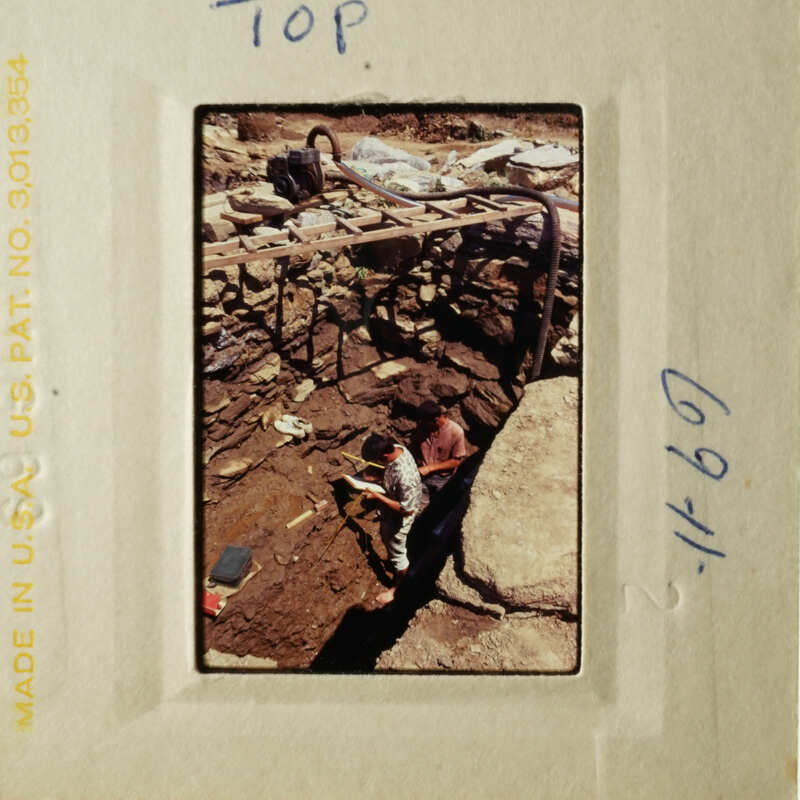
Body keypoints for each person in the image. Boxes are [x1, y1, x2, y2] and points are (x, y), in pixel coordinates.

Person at [360, 433, 427, 606]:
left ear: (384, 456)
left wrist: (377, 495)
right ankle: (396, 562)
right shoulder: (397, 448)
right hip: (394, 505)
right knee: (387, 539)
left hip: (401, 517)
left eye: (377, 460)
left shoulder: (406, 477)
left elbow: (406, 509)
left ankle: (397, 589)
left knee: (398, 555)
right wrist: (379, 478)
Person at [413, 400, 467, 494]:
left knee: (440, 500)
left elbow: (456, 461)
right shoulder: (423, 427)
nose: (421, 424)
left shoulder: (456, 432)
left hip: (443, 479)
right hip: (423, 475)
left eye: (424, 422)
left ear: (436, 420)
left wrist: (429, 468)